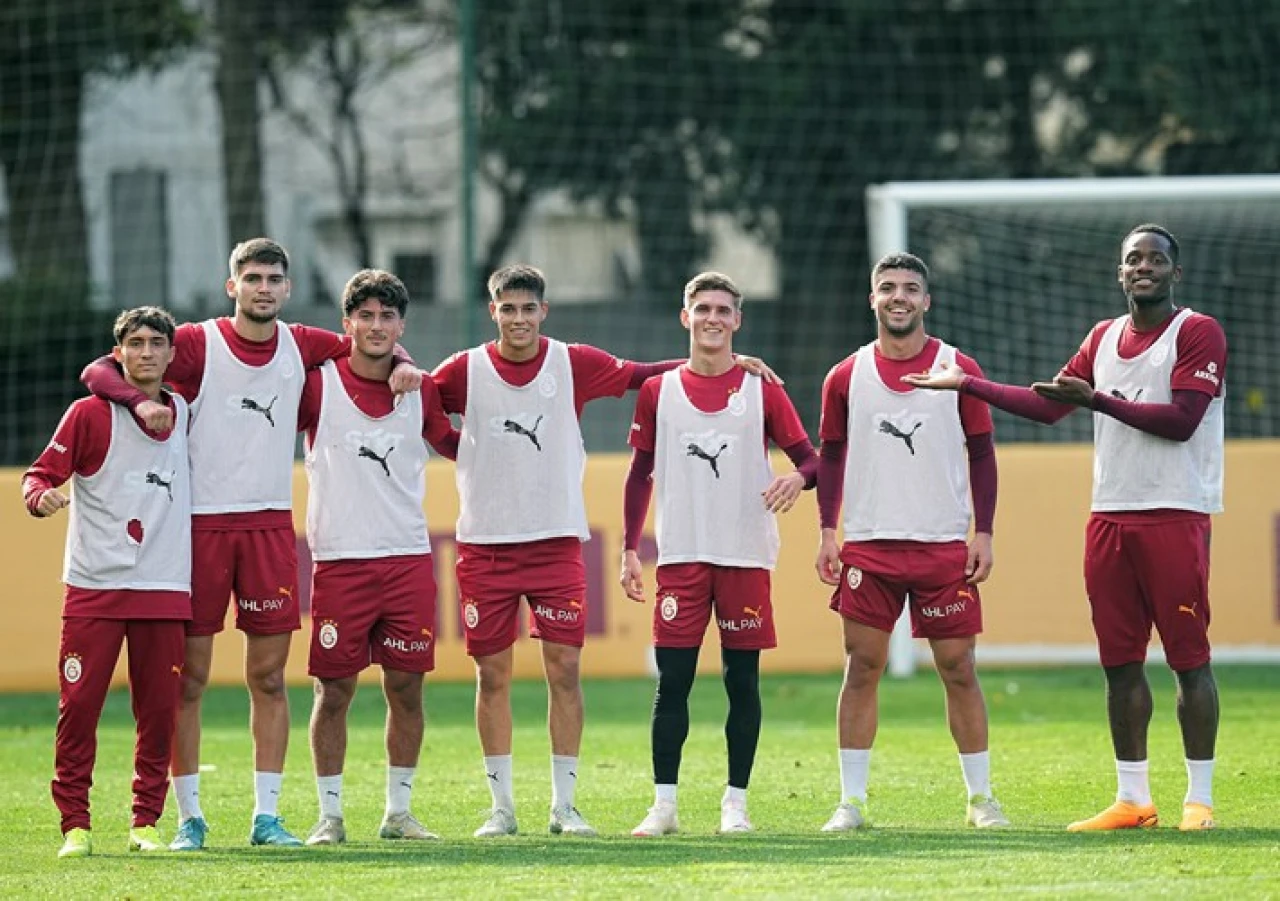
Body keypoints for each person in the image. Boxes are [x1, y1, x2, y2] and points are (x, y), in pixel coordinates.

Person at [79, 238, 422, 849]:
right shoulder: (194, 342)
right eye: (252, 277)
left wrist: (403, 358)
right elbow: (99, 372)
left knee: (268, 679)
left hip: (268, 531)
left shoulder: (304, 345)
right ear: (231, 285)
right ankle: (190, 819)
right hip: (199, 529)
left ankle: (267, 817)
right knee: (189, 680)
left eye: (274, 278)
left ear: (287, 290)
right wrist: (138, 403)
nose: (263, 287)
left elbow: (372, 341)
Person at [431, 263, 776, 838]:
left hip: (557, 542)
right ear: (494, 312)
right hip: (485, 544)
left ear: (544, 311)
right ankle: (501, 808)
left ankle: (564, 807)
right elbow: (422, 405)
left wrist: (726, 367)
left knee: (564, 670)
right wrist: (460, 450)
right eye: (507, 308)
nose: (519, 318)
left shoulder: (574, 363)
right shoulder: (464, 369)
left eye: (528, 308)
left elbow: (644, 374)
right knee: (492, 676)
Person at [904, 224, 1225, 832]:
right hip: (1109, 518)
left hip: (1176, 514)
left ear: (1175, 274)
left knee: (1189, 660)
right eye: (1134, 259)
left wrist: (1097, 401)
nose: (1144, 267)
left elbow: (1182, 420)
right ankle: (1134, 800)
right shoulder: (1102, 336)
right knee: (1120, 663)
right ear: (1120, 272)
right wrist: (966, 384)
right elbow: (1050, 405)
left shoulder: (1198, 331)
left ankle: (1199, 800)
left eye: (1157, 259)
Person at [814, 252, 1008, 832]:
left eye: (911, 289)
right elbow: (830, 455)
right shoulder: (845, 375)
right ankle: (851, 803)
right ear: (872, 299)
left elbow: (982, 453)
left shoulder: (958, 367)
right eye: (888, 288)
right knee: (863, 665)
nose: (899, 297)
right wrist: (828, 530)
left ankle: (980, 800)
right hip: (869, 545)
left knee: (959, 668)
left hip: (943, 545)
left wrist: (985, 532)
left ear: (927, 301)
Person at [620, 272, 817, 836]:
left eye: (723, 310)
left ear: (737, 321)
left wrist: (796, 481)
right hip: (682, 554)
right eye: (702, 308)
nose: (712, 318)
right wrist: (631, 549)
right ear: (685, 317)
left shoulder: (762, 388)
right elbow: (640, 473)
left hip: (745, 554)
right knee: (672, 683)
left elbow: (814, 460)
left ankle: (735, 804)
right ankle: (664, 806)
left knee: (742, 683)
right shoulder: (659, 391)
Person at [297, 270, 459, 846]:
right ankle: (330, 817)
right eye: (364, 315)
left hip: (408, 560)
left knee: (407, 688)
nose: (375, 325)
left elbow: (457, 445)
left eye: (387, 316)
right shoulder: (316, 386)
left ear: (401, 325)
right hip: (341, 561)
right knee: (333, 692)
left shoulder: (421, 388)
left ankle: (398, 813)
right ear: (347, 325)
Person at [23, 307, 191, 858]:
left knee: (160, 712)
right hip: (94, 588)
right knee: (80, 708)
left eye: (156, 343)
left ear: (171, 353)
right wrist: (39, 498)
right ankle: (76, 824)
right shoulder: (89, 414)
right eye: (135, 343)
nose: (146, 352)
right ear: (118, 354)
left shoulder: (185, 409)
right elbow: (40, 474)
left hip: (164, 587)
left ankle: (145, 823)